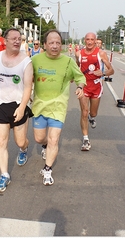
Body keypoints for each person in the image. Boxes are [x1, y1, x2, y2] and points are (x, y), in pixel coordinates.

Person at [31, 29, 86, 186]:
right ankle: (45, 145)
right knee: (39, 138)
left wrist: (80, 87)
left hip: (58, 107)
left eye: (57, 43)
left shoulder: (68, 62)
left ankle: (47, 169)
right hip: (39, 106)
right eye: (51, 43)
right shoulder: (35, 60)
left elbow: (80, 77)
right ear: (44, 44)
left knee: (54, 139)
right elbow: (27, 78)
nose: (55, 46)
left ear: (61, 44)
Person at [0, 27, 33, 192]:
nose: (17, 41)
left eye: (19, 38)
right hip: (0, 104)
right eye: (13, 38)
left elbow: (28, 87)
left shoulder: (26, 61)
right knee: (1, 142)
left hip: (18, 104)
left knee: (20, 141)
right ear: (5, 41)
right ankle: (4, 174)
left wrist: (21, 107)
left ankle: (24, 149)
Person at [76, 33, 114, 151]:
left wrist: (102, 73)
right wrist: (75, 76)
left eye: (92, 39)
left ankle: (92, 118)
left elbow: (111, 71)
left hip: (96, 86)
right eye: (87, 39)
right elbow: (78, 66)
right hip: (84, 86)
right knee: (84, 112)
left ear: (95, 40)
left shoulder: (101, 53)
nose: (90, 41)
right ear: (84, 40)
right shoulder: (78, 53)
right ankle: (86, 140)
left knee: (92, 113)